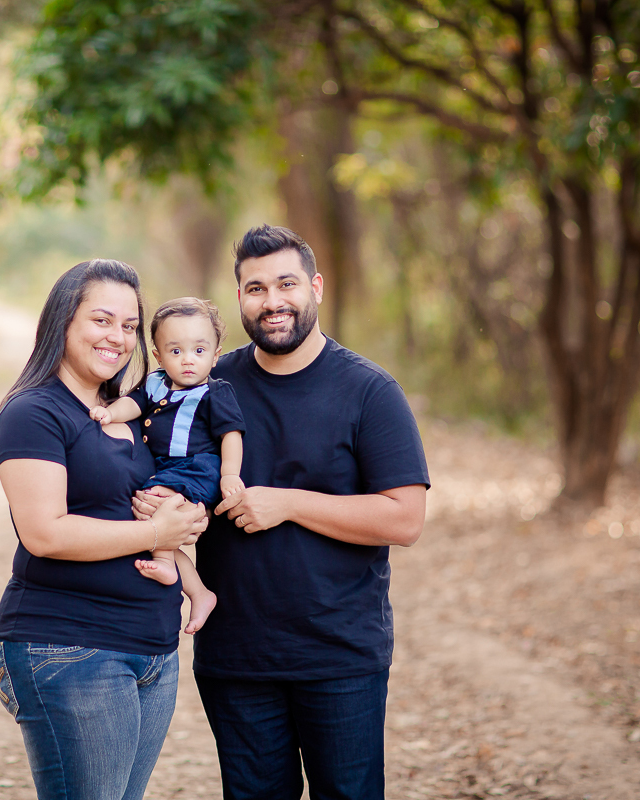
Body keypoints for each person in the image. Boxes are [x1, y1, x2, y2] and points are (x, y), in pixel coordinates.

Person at [134, 225, 430, 800]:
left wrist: (288, 504)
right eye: (256, 288)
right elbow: (155, 459)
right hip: (236, 655)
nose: (273, 301)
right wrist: (160, 504)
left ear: (315, 287)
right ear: (238, 298)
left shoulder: (369, 391)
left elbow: (405, 519)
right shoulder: (206, 382)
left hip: (339, 655)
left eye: (286, 284)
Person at [0, 259, 209, 800]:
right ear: (63, 320)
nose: (118, 337)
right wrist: (157, 535)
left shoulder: (128, 411)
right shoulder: (34, 413)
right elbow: (46, 534)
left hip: (153, 649)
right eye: (102, 320)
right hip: (71, 646)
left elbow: (152, 501)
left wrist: (187, 517)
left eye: (130, 326)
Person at [91, 297, 245, 634]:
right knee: (153, 520)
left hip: (196, 469)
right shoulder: (154, 383)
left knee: (157, 507)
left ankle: (166, 564)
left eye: (199, 351)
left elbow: (231, 435)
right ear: (159, 355)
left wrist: (230, 475)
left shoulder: (215, 392)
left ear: (216, 355)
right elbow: (132, 405)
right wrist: (110, 413)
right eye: (176, 351)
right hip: (164, 468)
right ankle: (199, 592)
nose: (188, 360)